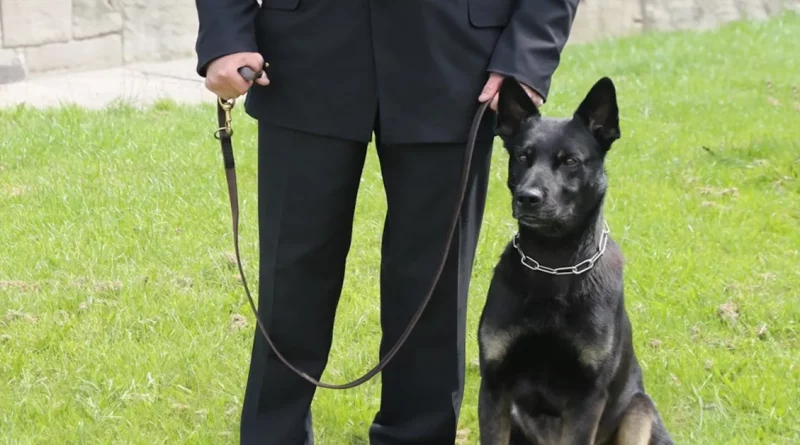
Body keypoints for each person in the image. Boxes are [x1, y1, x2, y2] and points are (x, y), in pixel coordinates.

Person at [194, 0, 580, 443]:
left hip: (456, 63)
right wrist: (227, 34)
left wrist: (527, 53)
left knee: (432, 292)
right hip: (304, 54)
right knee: (291, 277)